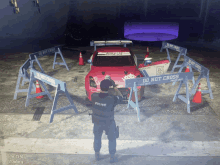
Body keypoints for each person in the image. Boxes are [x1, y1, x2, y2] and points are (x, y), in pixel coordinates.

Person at [90, 76, 123, 163]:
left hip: (97, 121)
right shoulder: (112, 99)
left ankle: (97, 155)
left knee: (97, 137)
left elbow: (99, 94)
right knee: (112, 139)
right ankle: (112, 157)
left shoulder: (93, 96)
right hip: (109, 122)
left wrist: (106, 83)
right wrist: (114, 87)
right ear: (109, 88)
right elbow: (121, 97)